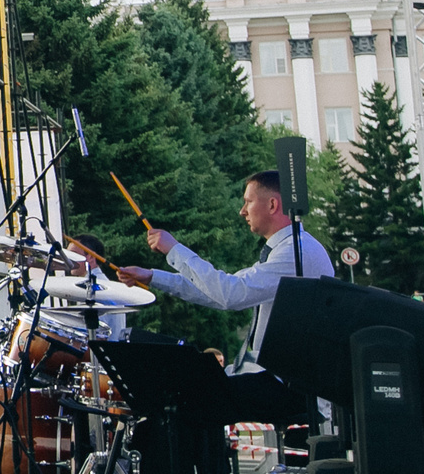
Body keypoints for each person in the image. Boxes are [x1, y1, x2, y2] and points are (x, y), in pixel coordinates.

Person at [114, 169, 332, 425]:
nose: (242, 211)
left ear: (272, 204)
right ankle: (204, 465)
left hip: (293, 387)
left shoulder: (297, 252)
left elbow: (229, 294)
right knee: (186, 395)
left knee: (183, 399)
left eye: (248, 201)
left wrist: (174, 249)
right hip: (277, 378)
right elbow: (218, 293)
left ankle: (201, 466)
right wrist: (154, 276)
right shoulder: (286, 250)